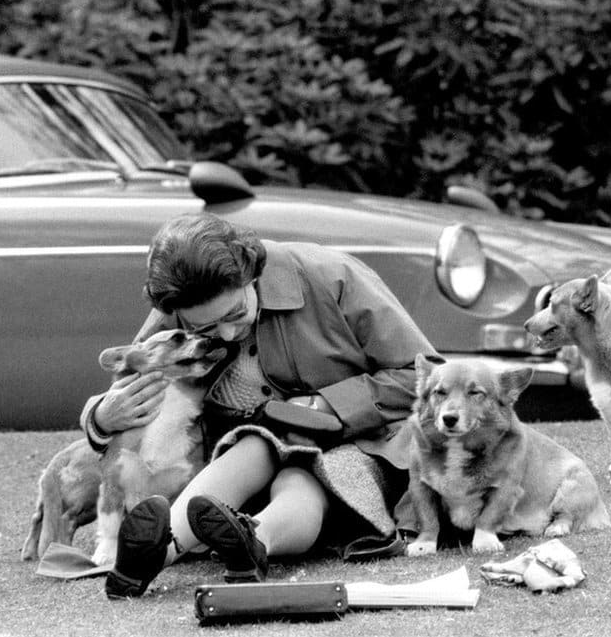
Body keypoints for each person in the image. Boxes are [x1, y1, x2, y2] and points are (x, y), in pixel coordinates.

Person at [80, 212, 439, 599]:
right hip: (248, 451)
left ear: (251, 273)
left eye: (235, 314)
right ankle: (154, 553)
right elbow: (132, 377)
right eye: (206, 329)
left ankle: (254, 539)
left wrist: (324, 405)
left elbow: (425, 375)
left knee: (304, 476)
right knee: (255, 444)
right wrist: (100, 418)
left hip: (361, 441)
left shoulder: (331, 275)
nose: (227, 334)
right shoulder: (184, 299)